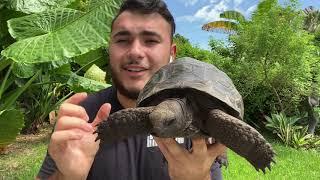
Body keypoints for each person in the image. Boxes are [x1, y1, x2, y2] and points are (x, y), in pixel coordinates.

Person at [36, 0, 226, 179]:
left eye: (150, 40)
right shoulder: (83, 116)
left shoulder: (200, 114)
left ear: (171, 53)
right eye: (122, 40)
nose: (135, 52)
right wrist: (67, 176)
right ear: (109, 48)